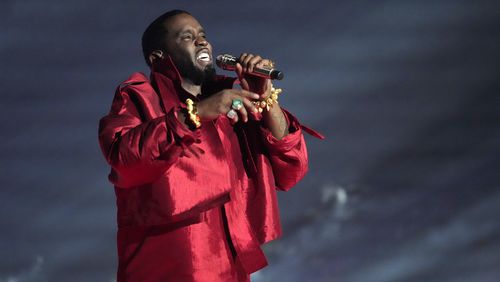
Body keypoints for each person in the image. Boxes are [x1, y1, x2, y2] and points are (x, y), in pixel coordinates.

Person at [98, 9, 321, 282]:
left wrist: (266, 98)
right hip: (166, 270)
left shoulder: (230, 101)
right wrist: (198, 113)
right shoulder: (140, 97)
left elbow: (291, 169)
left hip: (229, 269)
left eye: (203, 35)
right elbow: (124, 158)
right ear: (158, 58)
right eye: (187, 37)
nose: (202, 42)